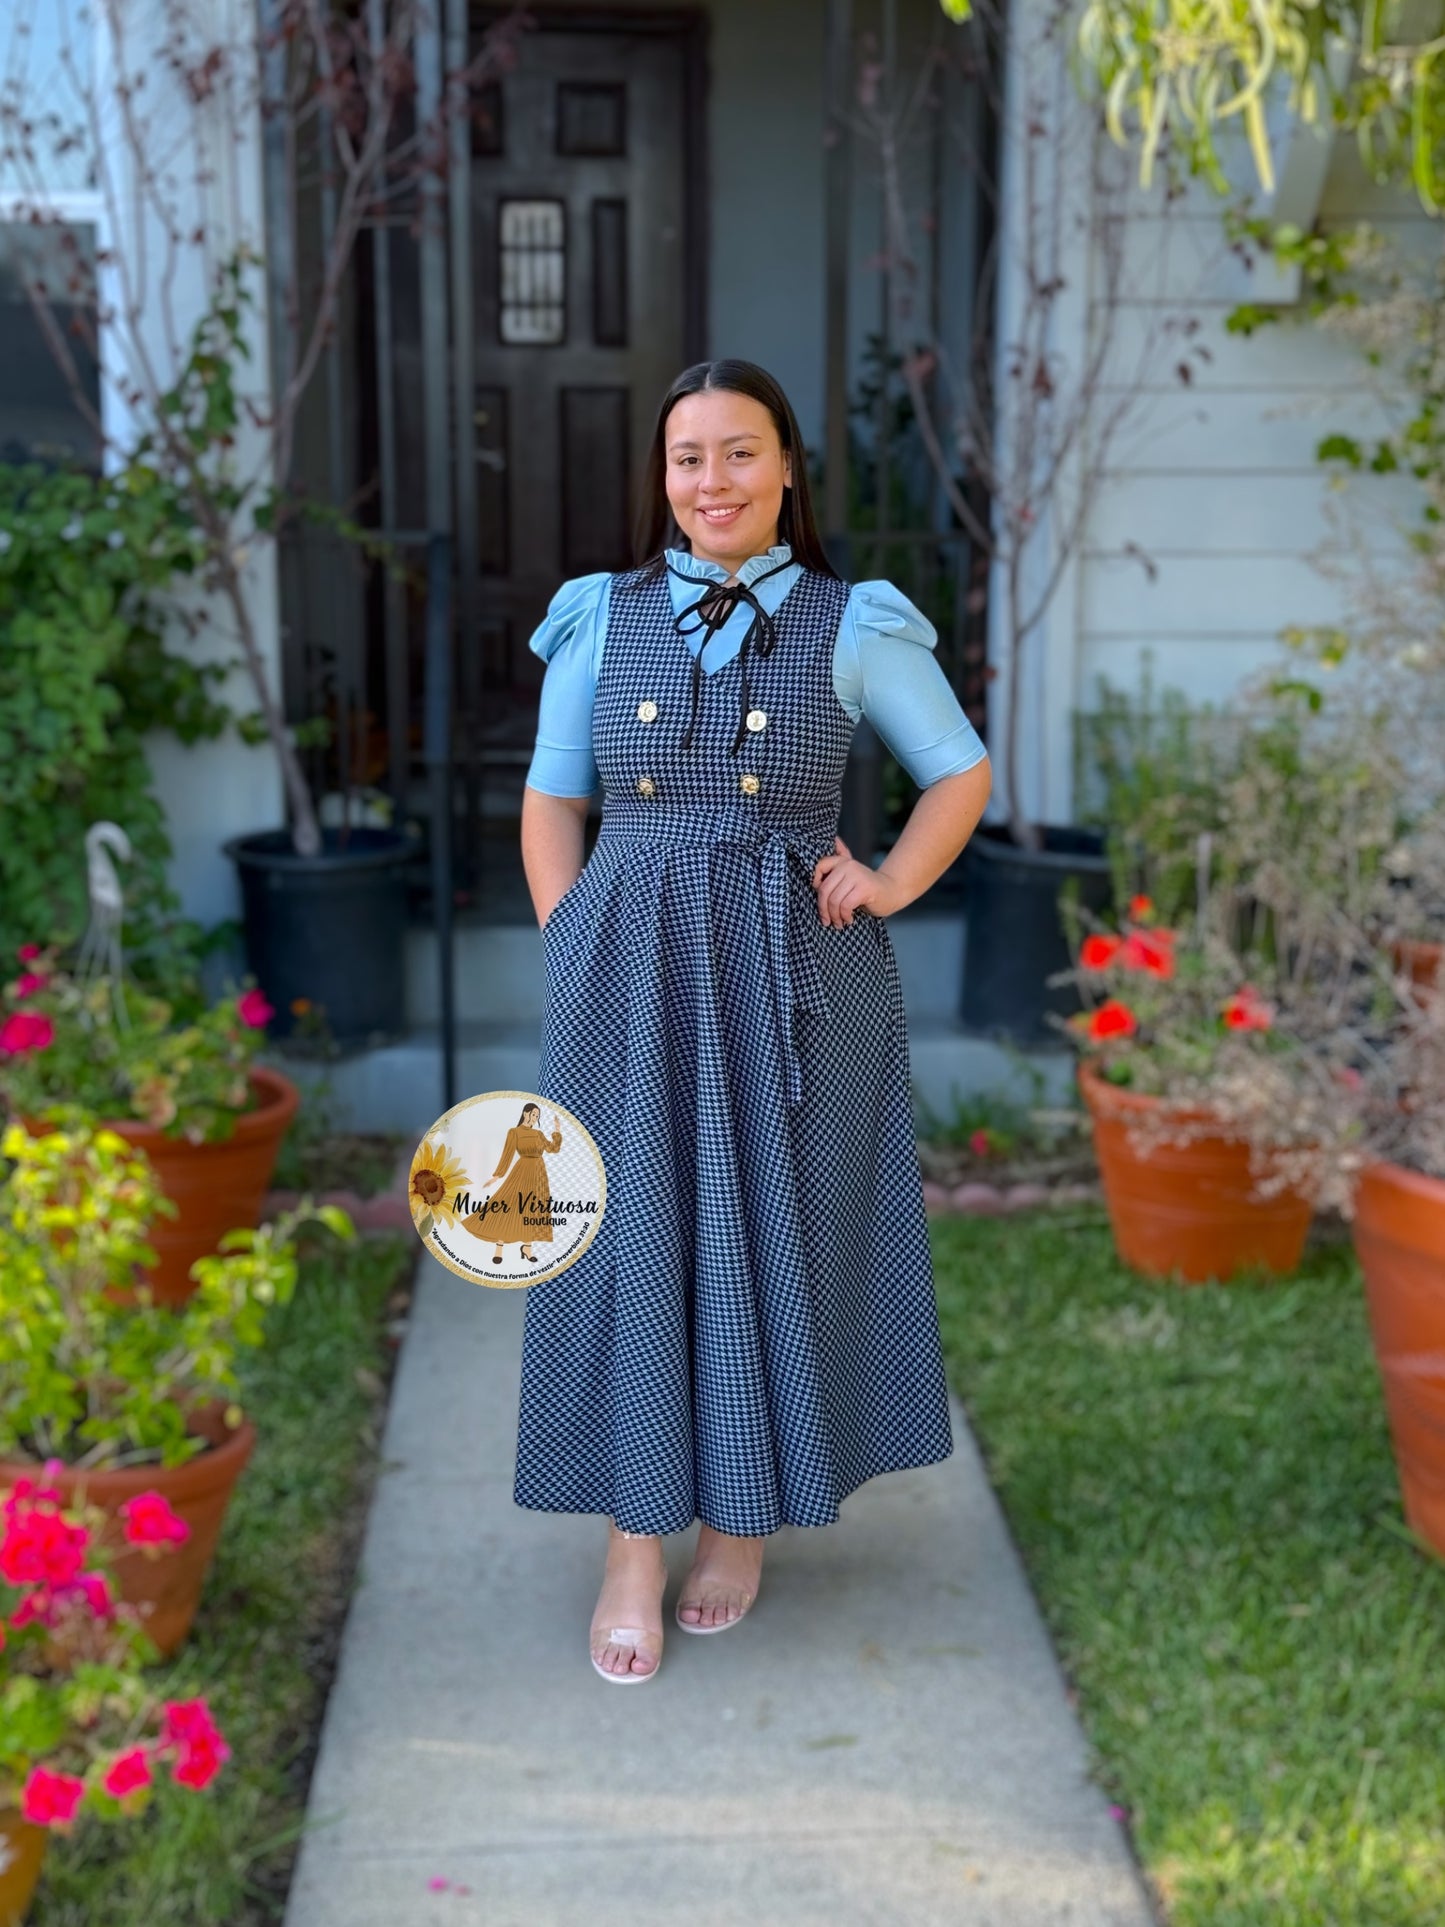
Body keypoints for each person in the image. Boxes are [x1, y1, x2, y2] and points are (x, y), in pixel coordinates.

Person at [518, 358, 992, 1684]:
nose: (710, 481)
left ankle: (737, 1519)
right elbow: (554, 800)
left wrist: (890, 877)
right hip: (626, 967)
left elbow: (959, 771)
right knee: (622, 1236)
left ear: (785, 468)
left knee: (775, 1233)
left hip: (796, 973)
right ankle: (630, 1541)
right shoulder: (599, 617)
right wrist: (569, 942)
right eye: (686, 458)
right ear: (659, 479)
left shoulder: (855, 621)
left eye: (738, 453)